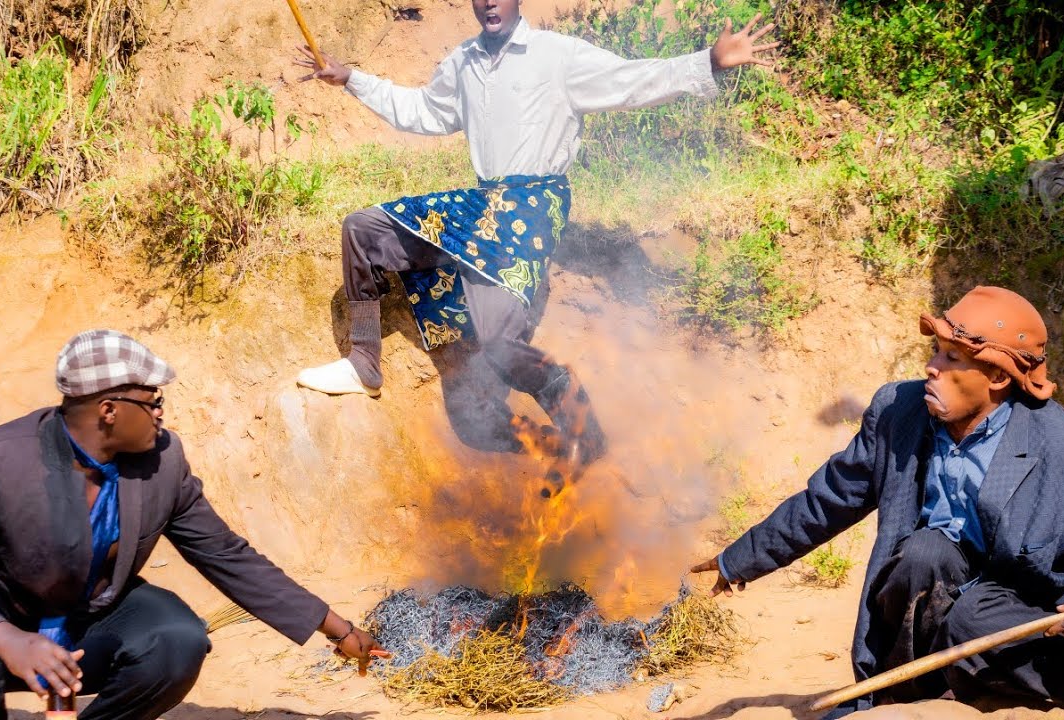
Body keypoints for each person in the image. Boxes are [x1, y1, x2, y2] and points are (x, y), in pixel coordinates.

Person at [291, 0, 780, 483]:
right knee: (363, 227)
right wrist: (352, 79)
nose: (487, 3)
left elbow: (630, 81)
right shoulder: (463, 61)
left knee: (499, 347)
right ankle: (363, 364)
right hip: (480, 208)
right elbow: (423, 109)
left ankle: (585, 436)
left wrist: (707, 62)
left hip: (532, 207)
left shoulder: (557, 55)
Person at [0, 329, 384, 720]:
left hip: (94, 618)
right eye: (153, 402)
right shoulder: (1, 458)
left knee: (179, 639)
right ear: (108, 410)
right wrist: (7, 639)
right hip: (8, 623)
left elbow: (227, 555)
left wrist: (338, 630)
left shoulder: (163, 463)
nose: (161, 414)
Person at [690, 286, 1064, 716]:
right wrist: (737, 561)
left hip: (1011, 612)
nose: (931, 367)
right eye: (936, 351)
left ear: (996, 377)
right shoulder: (899, 412)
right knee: (923, 553)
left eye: (951, 358)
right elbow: (828, 501)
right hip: (942, 589)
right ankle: (902, 696)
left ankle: (987, 682)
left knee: (970, 619)